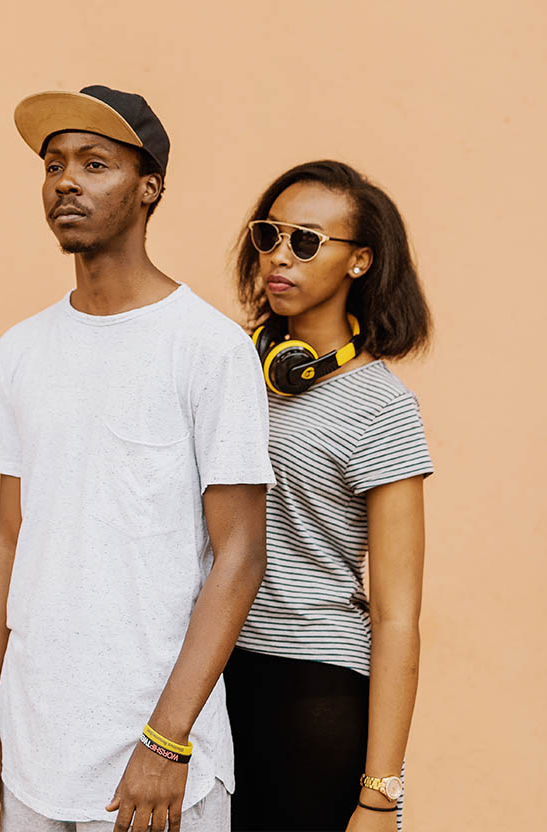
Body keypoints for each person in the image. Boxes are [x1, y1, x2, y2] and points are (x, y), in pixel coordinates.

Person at [0, 85, 275, 832]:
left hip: (158, 760)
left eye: (95, 164)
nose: (66, 181)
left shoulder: (210, 348)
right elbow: (10, 538)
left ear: (149, 187)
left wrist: (167, 741)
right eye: (54, 164)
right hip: (32, 750)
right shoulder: (20, 351)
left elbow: (241, 556)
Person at [223, 160, 434, 832]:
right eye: (269, 235)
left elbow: (396, 616)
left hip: (309, 690)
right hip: (212, 671)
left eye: (307, 242)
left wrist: (380, 796)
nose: (280, 257)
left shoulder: (382, 408)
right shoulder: (229, 373)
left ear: (360, 262)